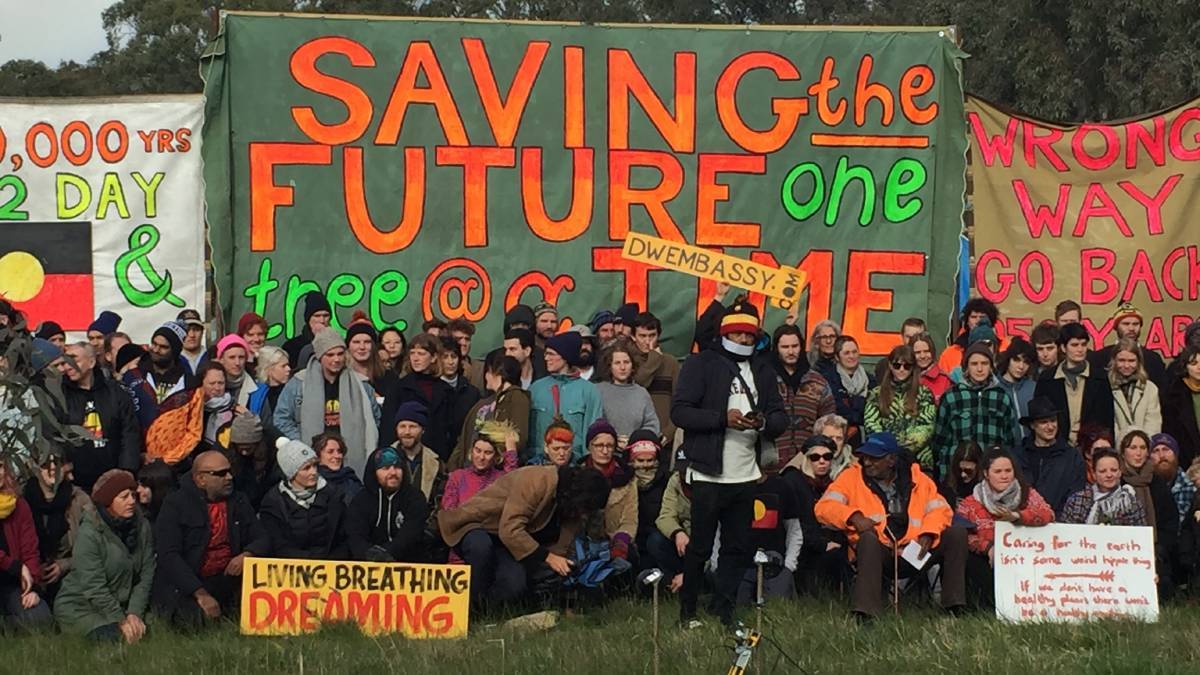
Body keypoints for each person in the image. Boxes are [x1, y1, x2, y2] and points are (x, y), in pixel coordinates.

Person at [672, 299, 788, 627]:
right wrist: (722, 419)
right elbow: (680, 411)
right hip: (708, 472)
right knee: (700, 548)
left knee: (737, 547)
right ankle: (687, 612)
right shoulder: (701, 364)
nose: (744, 340)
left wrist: (763, 422)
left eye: (750, 336)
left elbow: (780, 416)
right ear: (725, 332)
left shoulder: (763, 369)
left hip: (746, 474)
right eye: (737, 334)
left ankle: (723, 610)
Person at [815, 432, 967, 621]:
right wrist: (853, 516)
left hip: (915, 552)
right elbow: (823, 507)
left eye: (874, 458)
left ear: (891, 460)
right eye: (865, 457)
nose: (867, 462)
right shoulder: (851, 477)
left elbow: (941, 509)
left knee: (956, 534)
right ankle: (866, 614)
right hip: (880, 552)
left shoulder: (919, 479)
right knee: (868, 540)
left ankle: (954, 608)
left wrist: (929, 533)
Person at [438, 465, 611, 607]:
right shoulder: (537, 480)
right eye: (586, 509)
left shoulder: (573, 508)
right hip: (477, 525)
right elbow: (510, 529)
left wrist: (560, 569)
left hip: (506, 542)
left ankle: (486, 612)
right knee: (481, 547)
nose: (584, 515)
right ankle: (467, 608)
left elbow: (560, 549)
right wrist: (548, 557)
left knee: (514, 584)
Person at [153, 450, 268, 628]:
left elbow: (262, 537)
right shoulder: (176, 504)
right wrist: (200, 594)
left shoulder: (239, 501)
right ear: (200, 479)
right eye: (220, 474)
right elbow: (169, 555)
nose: (229, 477)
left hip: (228, 579)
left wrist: (247, 554)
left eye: (230, 471)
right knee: (196, 621)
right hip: (190, 583)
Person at [54, 469, 155, 643]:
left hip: (125, 603)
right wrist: (121, 620)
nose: (132, 501)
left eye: (132, 495)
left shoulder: (142, 526)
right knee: (115, 637)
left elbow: (146, 571)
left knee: (155, 627)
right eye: (124, 497)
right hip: (83, 604)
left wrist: (134, 613)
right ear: (108, 501)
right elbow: (94, 586)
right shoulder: (90, 533)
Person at [955, 448, 1054, 607]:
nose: (1004, 476)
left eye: (1008, 470)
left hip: (1026, 557)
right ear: (986, 474)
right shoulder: (970, 503)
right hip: (987, 559)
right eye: (998, 471)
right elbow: (962, 535)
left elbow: (1048, 514)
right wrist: (987, 548)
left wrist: (1018, 517)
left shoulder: (1027, 493)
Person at [275, 328, 380, 476]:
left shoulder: (361, 385)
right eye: (330, 355)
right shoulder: (299, 383)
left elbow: (375, 418)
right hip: (312, 457)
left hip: (350, 458)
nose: (336, 359)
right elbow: (281, 418)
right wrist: (302, 443)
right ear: (319, 356)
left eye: (340, 354)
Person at [59, 342, 142, 492]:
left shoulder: (116, 392)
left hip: (112, 479)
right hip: (74, 482)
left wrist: (127, 471)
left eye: (74, 360)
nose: (67, 366)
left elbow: (129, 433)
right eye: (65, 362)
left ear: (91, 362)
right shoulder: (59, 395)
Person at [930, 342, 1017, 480]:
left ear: (991, 366)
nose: (980, 369)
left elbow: (1010, 441)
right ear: (966, 367)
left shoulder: (1001, 397)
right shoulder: (952, 396)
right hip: (958, 474)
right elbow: (940, 442)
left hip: (991, 474)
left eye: (984, 363)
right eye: (974, 364)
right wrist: (943, 475)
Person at [779, 434, 850, 596]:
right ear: (806, 458)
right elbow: (794, 526)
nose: (822, 461)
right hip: (799, 549)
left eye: (827, 457)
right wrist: (822, 544)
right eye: (815, 457)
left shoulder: (832, 484)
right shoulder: (792, 481)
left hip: (826, 542)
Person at [723, 462, 802, 604]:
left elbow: (794, 529)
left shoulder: (782, 487)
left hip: (775, 563)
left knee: (777, 609)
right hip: (740, 563)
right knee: (737, 605)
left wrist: (789, 566)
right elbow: (720, 527)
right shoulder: (731, 489)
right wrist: (718, 564)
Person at [258, 438, 348, 559]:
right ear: (291, 474)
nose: (314, 472)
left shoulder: (334, 494)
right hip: (292, 569)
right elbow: (277, 544)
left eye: (315, 465)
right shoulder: (273, 502)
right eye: (306, 468)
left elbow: (344, 536)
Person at [22, 456, 93, 600]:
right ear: (34, 467)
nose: (53, 467)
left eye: (57, 462)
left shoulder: (79, 500)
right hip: (29, 577)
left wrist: (65, 565)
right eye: (45, 463)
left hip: (73, 576)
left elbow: (95, 548)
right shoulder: (21, 501)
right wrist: (34, 569)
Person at [528, 331, 604, 464]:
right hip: (539, 465)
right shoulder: (536, 389)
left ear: (565, 357)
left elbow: (593, 432)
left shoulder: (589, 390)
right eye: (546, 354)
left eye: (551, 354)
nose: (546, 358)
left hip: (575, 466)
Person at [1034, 322, 1114, 445]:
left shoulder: (1099, 377)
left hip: (1091, 447)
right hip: (1057, 447)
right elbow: (1039, 417)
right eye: (1075, 345)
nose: (1080, 349)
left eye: (1083, 344)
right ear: (1063, 348)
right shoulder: (1047, 379)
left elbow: (1107, 419)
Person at [379, 333, 455, 461]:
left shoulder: (446, 390)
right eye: (413, 353)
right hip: (404, 457)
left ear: (434, 357)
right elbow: (387, 427)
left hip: (438, 457)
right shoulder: (399, 387)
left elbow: (451, 430)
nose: (415, 358)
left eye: (421, 353)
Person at [1119, 429, 1178, 593]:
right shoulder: (1116, 481)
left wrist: (1159, 548)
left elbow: (1170, 519)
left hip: (1156, 550)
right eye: (1132, 447)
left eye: (1143, 448)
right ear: (1123, 452)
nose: (1138, 453)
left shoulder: (1157, 482)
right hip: (1121, 550)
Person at [448, 353, 530, 470]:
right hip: (469, 471)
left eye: (489, 372)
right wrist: (452, 467)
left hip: (494, 473)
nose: (486, 376)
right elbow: (464, 438)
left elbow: (517, 437)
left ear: (500, 375)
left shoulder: (517, 397)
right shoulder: (484, 402)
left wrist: (496, 457)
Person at [346, 447, 428, 562]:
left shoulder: (415, 497)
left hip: (408, 564)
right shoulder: (361, 500)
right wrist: (370, 555)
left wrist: (385, 553)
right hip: (368, 565)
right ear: (374, 472)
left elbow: (411, 534)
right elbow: (355, 536)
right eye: (385, 468)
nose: (393, 472)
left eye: (397, 467)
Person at [771, 324, 836, 470]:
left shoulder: (818, 381)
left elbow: (829, 423)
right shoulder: (765, 381)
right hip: (770, 464)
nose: (791, 351)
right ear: (777, 349)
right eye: (785, 347)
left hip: (809, 464)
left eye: (795, 346)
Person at [863, 345, 935, 472]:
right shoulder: (876, 394)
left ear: (913, 368)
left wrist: (904, 449)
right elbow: (871, 425)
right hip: (883, 458)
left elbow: (927, 426)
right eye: (897, 365)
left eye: (907, 366)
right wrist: (889, 449)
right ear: (890, 366)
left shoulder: (924, 393)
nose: (902, 370)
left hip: (919, 460)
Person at [1012, 397, 1087, 517]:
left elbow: (1076, 492)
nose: (1050, 426)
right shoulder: (1018, 455)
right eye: (1044, 422)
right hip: (1023, 523)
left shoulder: (1072, 456)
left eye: (1053, 421)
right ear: (1032, 425)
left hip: (1060, 523)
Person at [0, 463, 53, 628]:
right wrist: (15, 566)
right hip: (14, 570)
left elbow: (30, 550)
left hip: (12, 583)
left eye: (0, 466)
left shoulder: (19, 505)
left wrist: (32, 587)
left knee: (41, 618)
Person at [581, 419, 638, 566]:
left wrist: (621, 542)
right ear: (589, 446)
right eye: (599, 445)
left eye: (609, 446)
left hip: (616, 539)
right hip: (583, 540)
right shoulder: (578, 474)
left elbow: (630, 519)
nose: (605, 451)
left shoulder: (627, 477)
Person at [441, 421, 519, 516]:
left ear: (496, 456)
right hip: (462, 527)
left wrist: (511, 452)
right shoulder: (458, 476)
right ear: (472, 451)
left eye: (488, 453)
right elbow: (448, 511)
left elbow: (513, 485)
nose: (481, 457)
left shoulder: (500, 478)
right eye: (478, 451)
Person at [1059, 449, 1147, 526]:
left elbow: (1140, 538)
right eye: (1102, 471)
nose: (1109, 475)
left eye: (1114, 470)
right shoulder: (1077, 500)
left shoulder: (1131, 503)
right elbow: (1065, 533)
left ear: (1120, 472)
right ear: (1094, 474)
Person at [596, 339, 660, 443]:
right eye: (617, 363)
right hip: (606, 448)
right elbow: (594, 423)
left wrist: (635, 441)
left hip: (636, 451)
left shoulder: (641, 393)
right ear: (610, 366)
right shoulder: (598, 391)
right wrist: (615, 440)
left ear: (633, 365)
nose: (622, 367)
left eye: (626, 362)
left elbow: (652, 425)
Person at [631, 312, 680, 445]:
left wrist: (669, 432)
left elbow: (679, 401)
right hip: (634, 436)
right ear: (633, 337)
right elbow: (640, 384)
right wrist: (654, 358)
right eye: (642, 336)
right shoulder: (627, 362)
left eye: (652, 335)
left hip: (663, 437)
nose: (647, 341)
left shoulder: (671, 363)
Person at [1092, 303, 1167, 389]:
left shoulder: (1154, 359)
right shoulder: (1099, 358)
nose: (1131, 328)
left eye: (1135, 324)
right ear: (1116, 327)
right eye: (1126, 324)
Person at [627, 430, 670, 573]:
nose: (645, 465)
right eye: (640, 460)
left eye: (650, 460)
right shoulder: (624, 482)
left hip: (659, 537)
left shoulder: (666, 481)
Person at [1109, 338, 1162, 440]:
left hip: (1144, 447)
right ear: (1114, 361)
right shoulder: (1105, 386)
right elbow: (1109, 423)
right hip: (1116, 446)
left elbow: (1153, 423)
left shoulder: (1150, 388)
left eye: (1131, 361)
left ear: (1139, 362)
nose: (1127, 365)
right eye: (1121, 360)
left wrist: (1142, 445)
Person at [438, 335, 482, 455]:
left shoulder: (472, 392)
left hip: (464, 452)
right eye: (445, 357)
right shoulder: (431, 390)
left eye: (454, 356)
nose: (450, 362)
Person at [650, 469, 692, 593]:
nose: (684, 474)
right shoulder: (676, 480)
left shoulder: (713, 484)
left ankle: (692, 581)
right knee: (655, 540)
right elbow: (665, 516)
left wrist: (691, 573)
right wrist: (677, 532)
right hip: (684, 541)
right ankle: (672, 584)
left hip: (707, 545)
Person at [828, 336, 874, 447]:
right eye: (846, 353)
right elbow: (837, 409)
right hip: (839, 436)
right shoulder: (830, 380)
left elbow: (872, 410)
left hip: (866, 437)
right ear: (837, 357)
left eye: (854, 352)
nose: (851, 356)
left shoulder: (871, 380)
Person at [938, 298, 1005, 375]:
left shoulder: (1006, 347)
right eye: (973, 317)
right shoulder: (950, 354)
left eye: (982, 317)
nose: (978, 321)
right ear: (967, 321)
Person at [1161, 345, 1200, 471]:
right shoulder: (1173, 395)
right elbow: (1170, 431)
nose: (1199, 367)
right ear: (1185, 367)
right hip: (1186, 460)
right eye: (1193, 363)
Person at [346, 311, 397, 406]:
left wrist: (378, 400)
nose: (362, 347)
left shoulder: (388, 377)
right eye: (356, 342)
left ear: (374, 345)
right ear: (348, 346)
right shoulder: (342, 378)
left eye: (367, 342)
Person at [228, 413, 275, 509]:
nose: (244, 453)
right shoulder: (227, 452)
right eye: (240, 448)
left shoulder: (274, 448)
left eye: (248, 448)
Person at [996, 338, 1038, 445]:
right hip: (1005, 451)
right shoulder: (995, 388)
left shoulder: (1033, 387)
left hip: (1031, 451)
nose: (1021, 366)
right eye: (1016, 360)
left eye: (1026, 362)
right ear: (1008, 359)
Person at [141, 321, 194, 403]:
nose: (156, 350)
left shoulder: (186, 382)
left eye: (163, 347)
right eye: (154, 344)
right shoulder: (138, 373)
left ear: (174, 351)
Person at [247, 344, 290, 442]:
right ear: (269, 369)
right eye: (283, 366)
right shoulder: (255, 393)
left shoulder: (291, 390)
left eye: (288, 365)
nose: (288, 369)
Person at [1150, 433, 1195, 525]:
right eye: (1155, 451)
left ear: (1175, 454)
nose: (1162, 455)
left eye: (1166, 449)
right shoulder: (1144, 486)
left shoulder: (1189, 486)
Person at [282, 292, 332, 369]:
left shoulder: (338, 343)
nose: (322, 320)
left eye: (326, 316)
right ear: (308, 319)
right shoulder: (292, 346)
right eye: (317, 316)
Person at [314, 431, 363, 505]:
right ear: (318, 456)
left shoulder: (351, 480)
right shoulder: (312, 482)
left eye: (339, 451)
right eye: (330, 452)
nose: (337, 456)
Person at [910, 332, 952, 403]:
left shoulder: (945, 380)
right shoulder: (905, 377)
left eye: (926, 351)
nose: (922, 356)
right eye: (917, 352)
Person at [939, 441, 983, 509]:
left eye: (968, 471)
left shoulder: (986, 488)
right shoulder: (947, 485)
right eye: (959, 470)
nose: (963, 475)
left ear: (978, 467)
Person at [216, 334, 254, 409]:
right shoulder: (210, 387)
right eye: (232, 357)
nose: (237, 363)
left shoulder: (257, 390)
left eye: (241, 357)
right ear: (221, 359)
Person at [447, 318, 483, 391]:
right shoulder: (439, 366)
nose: (464, 343)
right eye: (458, 339)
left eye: (467, 339)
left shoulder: (481, 369)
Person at [236, 311, 269, 378]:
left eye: (260, 334)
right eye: (250, 335)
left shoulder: (270, 360)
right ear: (241, 336)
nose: (256, 339)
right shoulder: (236, 363)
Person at [177, 309, 209, 375]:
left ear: (202, 332)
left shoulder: (212, 357)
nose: (192, 335)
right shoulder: (172, 360)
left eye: (196, 330)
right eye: (186, 330)